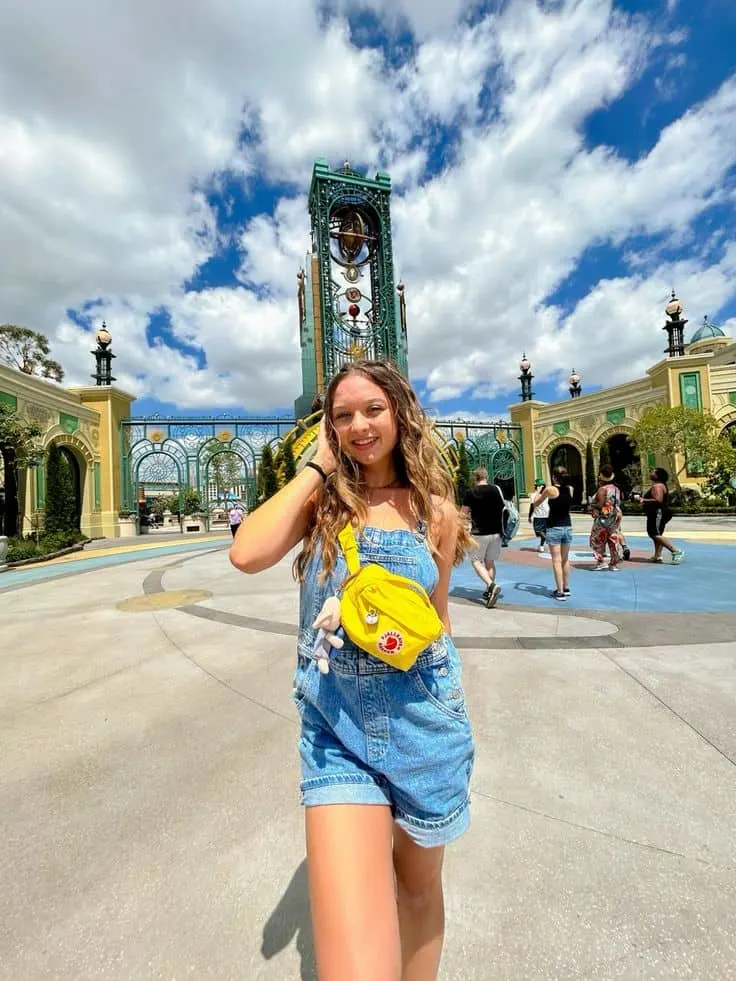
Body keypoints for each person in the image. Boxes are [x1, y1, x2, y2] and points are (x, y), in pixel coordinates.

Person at [230, 360, 475, 981]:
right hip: (336, 731)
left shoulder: (435, 514)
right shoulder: (322, 504)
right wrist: (316, 467)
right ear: (328, 427)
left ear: (400, 413)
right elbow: (247, 552)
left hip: (425, 723)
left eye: (373, 409)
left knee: (418, 893)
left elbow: (438, 620)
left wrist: (452, 707)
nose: (359, 425)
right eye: (342, 415)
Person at [461, 467, 504, 608]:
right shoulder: (495, 490)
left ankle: (491, 585)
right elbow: (502, 507)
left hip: (479, 532)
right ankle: (488, 592)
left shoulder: (470, 493)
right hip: (496, 532)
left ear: (475, 478)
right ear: (486, 477)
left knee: (475, 561)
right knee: (490, 562)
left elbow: (463, 514)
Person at [535, 466, 574, 601]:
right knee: (565, 559)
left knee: (556, 560)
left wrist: (539, 492)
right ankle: (566, 588)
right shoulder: (570, 489)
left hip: (554, 527)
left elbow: (536, 503)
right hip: (567, 526)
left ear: (553, 476)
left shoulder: (550, 490)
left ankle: (560, 591)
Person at [636, 468, 683, 563]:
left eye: (653, 472)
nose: (650, 473)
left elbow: (658, 500)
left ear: (657, 475)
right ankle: (657, 555)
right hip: (658, 512)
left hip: (657, 512)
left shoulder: (657, 486)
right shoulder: (660, 485)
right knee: (657, 534)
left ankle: (675, 551)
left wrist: (643, 500)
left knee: (654, 534)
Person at [589, 464, 623, 571]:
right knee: (613, 540)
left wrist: (591, 505)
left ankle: (601, 562)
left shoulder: (602, 489)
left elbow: (600, 504)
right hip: (614, 518)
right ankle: (614, 563)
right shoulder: (616, 489)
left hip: (603, 518)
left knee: (597, 540)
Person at [528, 478, 549, 552]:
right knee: (543, 531)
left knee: (538, 531)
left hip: (538, 516)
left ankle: (548, 540)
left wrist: (529, 516)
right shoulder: (547, 494)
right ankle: (541, 546)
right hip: (546, 515)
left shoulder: (533, 495)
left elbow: (532, 506)